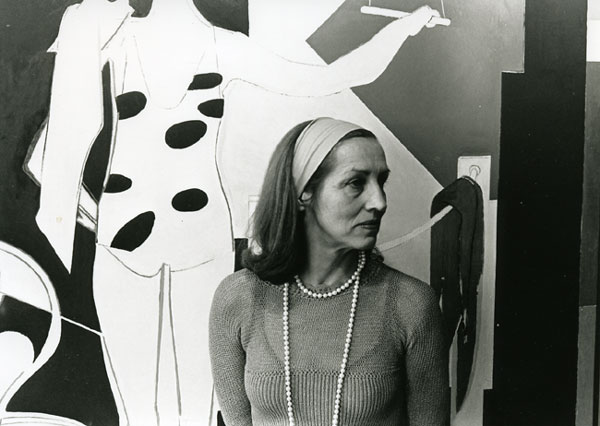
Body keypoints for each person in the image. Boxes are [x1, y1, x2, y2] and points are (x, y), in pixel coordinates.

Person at [25, 1, 445, 424]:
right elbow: (50, 156)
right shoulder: (112, 38)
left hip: (194, 240)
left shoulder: (221, 47)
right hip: (128, 247)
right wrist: (100, 219)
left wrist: (402, 29)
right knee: (136, 412)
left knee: (198, 411)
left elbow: (332, 76)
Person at [209, 117, 449, 426]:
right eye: (356, 183)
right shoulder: (238, 299)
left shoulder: (411, 304)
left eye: (381, 181)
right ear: (304, 192)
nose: (379, 202)